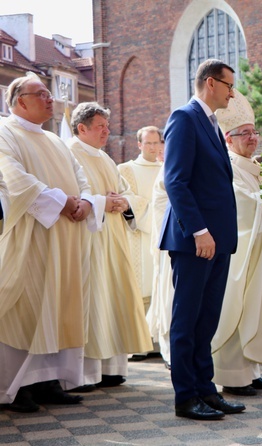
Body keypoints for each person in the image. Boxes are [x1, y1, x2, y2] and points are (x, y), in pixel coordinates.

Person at [0, 73, 98, 412]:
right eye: (40, 94)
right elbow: (14, 177)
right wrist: (62, 202)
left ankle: (48, 380)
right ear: (19, 101)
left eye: (48, 93)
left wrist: (86, 202)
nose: (49, 99)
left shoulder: (55, 141)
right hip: (31, 236)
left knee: (58, 305)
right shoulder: (5, 131)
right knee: (26, 309)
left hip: (65, 237)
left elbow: (80, 175)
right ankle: (16, 387)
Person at [159, 59, 244, 420]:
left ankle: (206, 390)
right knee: (187, 320)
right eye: (228, 85)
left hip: (217, 240)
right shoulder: (184, 118)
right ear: (210, 83)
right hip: (195, 240)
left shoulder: (210, 122)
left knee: (206, 319)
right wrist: (199, 231)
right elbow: (175, 181)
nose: (232, 92)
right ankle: (185, 397)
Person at [68, 102, 153, 389]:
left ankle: (112, 368)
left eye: (107, 125)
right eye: (101, 126)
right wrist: (107, 202)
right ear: (82, 128)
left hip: (114, 239)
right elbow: (75, 197)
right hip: (88, 240)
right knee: (93, 301)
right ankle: (86, 373)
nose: (107, 131)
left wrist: (124, 201)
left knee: (114, 298)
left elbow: (126, 193)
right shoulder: (69, 154)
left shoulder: (105, 158)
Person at [210, 92, 262, 397]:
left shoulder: (254, 167)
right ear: (228, 138)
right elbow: (243, 205)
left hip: (260, 248)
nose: (252, 138)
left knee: (257, 307)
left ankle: (250, 370)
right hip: (241, 251)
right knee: (237, 306)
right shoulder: (229, 167)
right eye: (244, 133)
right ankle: (232, 376)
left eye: (254, 132)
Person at [118, 126, 164, 348]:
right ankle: (138, 344)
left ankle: (156, 343)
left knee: (160, 286)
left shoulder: (167, 168)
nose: (153, 148)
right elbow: (126, 199)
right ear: (139, 144)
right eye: (148, 143)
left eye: (156, 143)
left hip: (162, 236)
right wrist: (153, 213)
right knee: (139, 285)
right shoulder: (126, 170)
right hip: (137, 234)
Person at [147, 166, 174, 369]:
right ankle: (169, 351)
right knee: (170, 298)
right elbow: (160, 202)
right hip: (173, 241)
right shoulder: (169, 168)